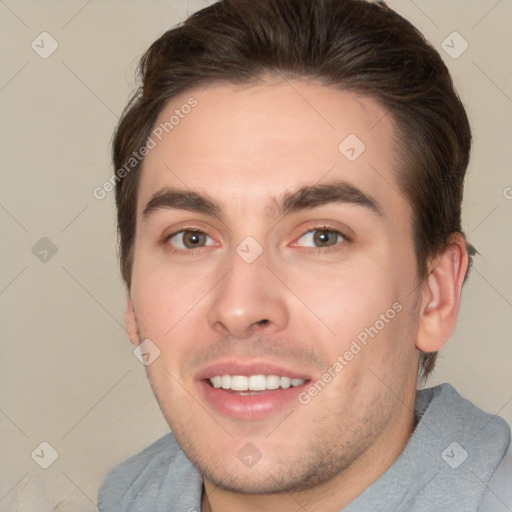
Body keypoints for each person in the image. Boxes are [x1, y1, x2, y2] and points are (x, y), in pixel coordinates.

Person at [97, 0, 511, 510]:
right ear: (133, 298)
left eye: (322, 237)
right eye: (192, 238)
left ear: (435, 296)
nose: (240, 308)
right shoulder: (125, 494)